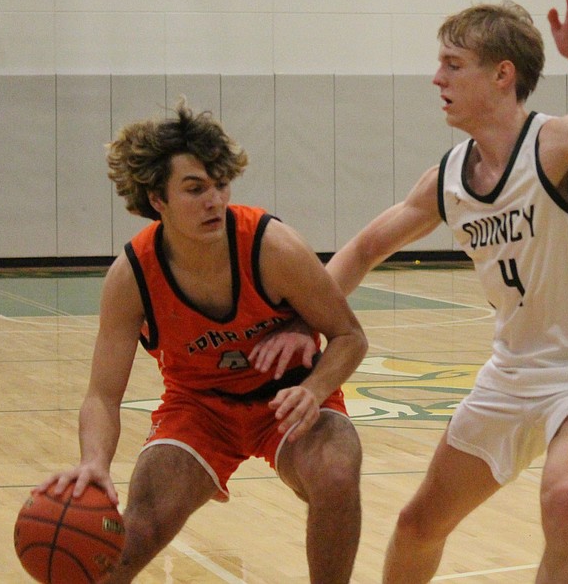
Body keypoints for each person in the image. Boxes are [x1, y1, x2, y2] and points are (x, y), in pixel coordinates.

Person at [321, 0, 568, 583]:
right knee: (419, 524)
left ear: (503, 75)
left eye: (453, 64)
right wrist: (297, 322)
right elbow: (367, 247)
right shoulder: (449, 176)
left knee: (567, 499)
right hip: (510, 374)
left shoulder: (560, 142)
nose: (437, 79)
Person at [38, 102, 369, 584]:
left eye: (220, 185)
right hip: (199, 410)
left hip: (287, 400)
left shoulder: (270, 246)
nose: (214, 200)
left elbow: (350, 336)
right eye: (195, 189)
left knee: (337, 476)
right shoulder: (132, 276)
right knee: (135, 533)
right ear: (158, 199)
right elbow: (103, 395)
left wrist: (314, 390)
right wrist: (95, 462)